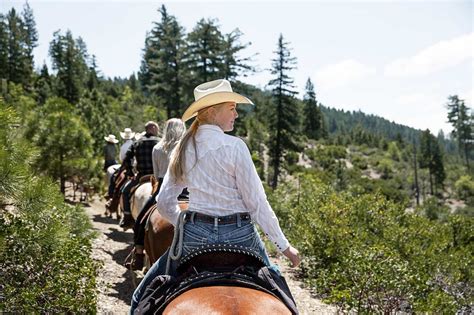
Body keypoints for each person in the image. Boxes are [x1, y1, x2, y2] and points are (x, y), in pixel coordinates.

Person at [130, 79, 301, 311]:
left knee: (140, 297)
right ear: (213, 111)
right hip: (241, 236)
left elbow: (164, 202)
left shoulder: (183, 148)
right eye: (232, 108)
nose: (237, 114)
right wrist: (285, 247)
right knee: (278, 286)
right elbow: (257, 203)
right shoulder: (235, 146)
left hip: (195, 237)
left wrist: (183, 222)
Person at [125, 118, 186, 270]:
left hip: (164, 189)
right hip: (187, 189)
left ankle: (139, 253)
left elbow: (157, 173)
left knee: (140, 219)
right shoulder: (188, 147)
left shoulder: (158, 148)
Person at [119, 121, 159, 228]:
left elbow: (127, 159)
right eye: (157, 128)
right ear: (153, 128)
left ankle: (127, 217)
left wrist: (130, 172)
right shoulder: (160, 142)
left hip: (142, 176)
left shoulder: (137, 142)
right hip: (157, 177)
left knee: (125, 191)